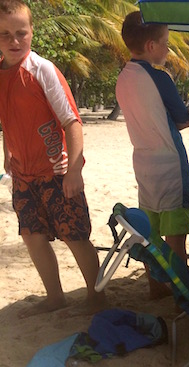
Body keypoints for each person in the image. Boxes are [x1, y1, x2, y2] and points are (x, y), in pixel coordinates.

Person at [0, 0, 106, 318]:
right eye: (5, 34)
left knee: (75, 236)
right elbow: (8, 118)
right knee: (32, 236)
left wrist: (74, 170)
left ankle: (96, 297)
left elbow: (72, 122)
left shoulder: (41, 70)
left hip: (57, 171)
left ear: (32, 32)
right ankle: (55, 297)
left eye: (21, 32)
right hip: (23, 175)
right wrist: (7, 152)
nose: (14, 41)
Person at [115, 11, 189, 298]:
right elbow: (180, 120)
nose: (168, 49)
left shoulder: (123, 78)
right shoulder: (158, 77)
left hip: (143, 163)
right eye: (165, 43)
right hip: (169, 164)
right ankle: (181, 296)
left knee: (150, 232)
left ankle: (156, 289)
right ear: (151, 46)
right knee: (176, 235)